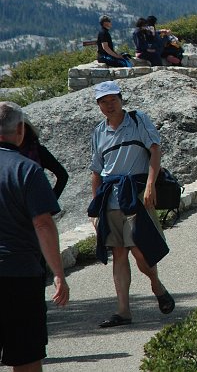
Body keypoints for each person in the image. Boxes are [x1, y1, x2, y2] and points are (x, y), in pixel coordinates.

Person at [87, 81, 174, 328]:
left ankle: (157, 286)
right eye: (104, 101)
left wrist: (150, 185)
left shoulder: (138, 120)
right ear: (98, 105)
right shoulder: (98, 132)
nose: (109, 105)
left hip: (135, 196)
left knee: (139, 250)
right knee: (118, 253)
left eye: (113, 99)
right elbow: (96, 171)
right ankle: (123, 311)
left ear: (121, 99)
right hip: (110, 200)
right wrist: (95, 209)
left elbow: (155, 149)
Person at [0, 102, 70, 372]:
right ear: (20, 129)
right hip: (20, 275)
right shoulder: (28, 170)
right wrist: (58, 273)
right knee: (26, 358)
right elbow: (43, 224)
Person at [19, 120, 68, 200]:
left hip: (36, 205)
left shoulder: (38, 151)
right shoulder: (5, 153)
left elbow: (62, 175)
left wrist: (51, 201)